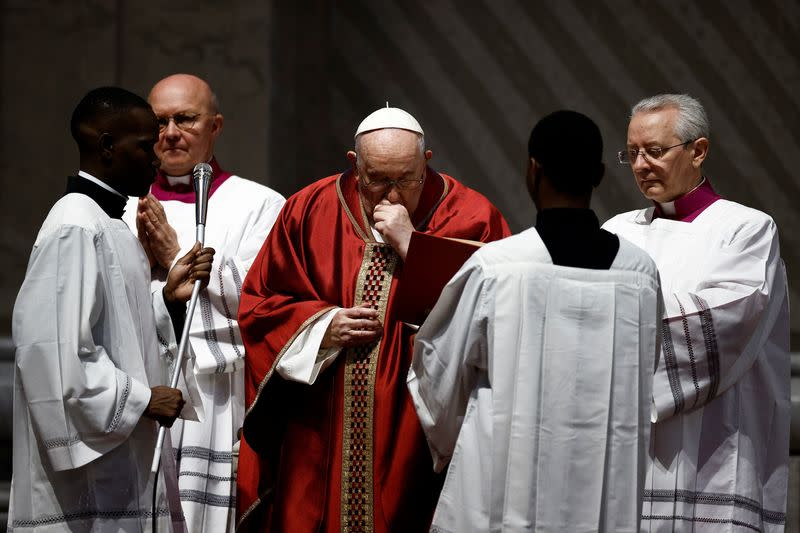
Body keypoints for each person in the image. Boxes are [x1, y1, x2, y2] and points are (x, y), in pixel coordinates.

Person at [236, 106, 510, 532]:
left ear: (427, 161)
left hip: (416, 427)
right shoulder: (307, 210)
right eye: (378, 179)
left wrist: (412, 244)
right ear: (354, 164)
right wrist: (321, 326)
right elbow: (260, 303)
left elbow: (497, 313)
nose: (392, 195)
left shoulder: (472, 216)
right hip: (320, 420)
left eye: (406, 179)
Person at [407, 110, 661, 532]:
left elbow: (440, 368)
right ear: (598, 174)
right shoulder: (639, 273)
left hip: (505, 473)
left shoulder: (498, 266)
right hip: (605, 480)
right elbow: (644, 375)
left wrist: (450, 441)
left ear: (533, 170)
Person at [9, 86, 215, 532]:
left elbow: (117, 333)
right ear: (106, 147)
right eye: (144, 146)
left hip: (123, 457)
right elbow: (53, 351)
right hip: (90, 476)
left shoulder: (112, 225)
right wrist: (142, 399)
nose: (157, 158)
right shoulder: (75, 225)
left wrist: (166, 302)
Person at [603, 94, 790, 532]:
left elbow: (724, 318)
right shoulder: (616, 231)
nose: (641, 165)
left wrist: (617, 319)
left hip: (715, 444)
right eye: (631, 154)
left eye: (654, 151)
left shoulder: (745, 228)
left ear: (698, 150)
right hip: (631, 449)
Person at [122, 73, 286, 532]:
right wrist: (165, 294)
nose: (171, 132)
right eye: (159, 122)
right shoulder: (121, 208)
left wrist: (174, 256)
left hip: (215, 396)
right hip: (139, 388)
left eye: (186, 119)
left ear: (215, 126)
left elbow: (266, 302)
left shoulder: (261, 205)